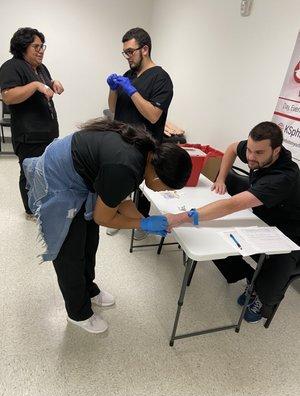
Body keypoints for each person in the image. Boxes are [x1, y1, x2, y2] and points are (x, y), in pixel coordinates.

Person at [22, 118, 192, 334]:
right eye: (165, 188)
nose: (162, 191)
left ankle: (89, 290)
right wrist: (143, 223)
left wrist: (142, 219)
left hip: (81, 174)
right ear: (157, 175)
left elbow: (119, 199)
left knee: (89, 240)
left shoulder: (145, 153)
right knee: (70, 251)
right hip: (59, 177)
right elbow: (103, 218)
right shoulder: (126, 166)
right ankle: (78, 313)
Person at [166, 121, 300, 323]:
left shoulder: (283, 177)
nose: (250, 157)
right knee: (215, 238)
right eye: (250, 151)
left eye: (258, 153)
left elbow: (231, 205)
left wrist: (181, 218)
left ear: (276, 151)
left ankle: (261, 297)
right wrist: (220, 178)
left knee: (274, 272)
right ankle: (249, 276)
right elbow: (231, 148)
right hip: (263, 215)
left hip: (290, 233)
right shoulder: (257, 148)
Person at [106, 27, 173, 238]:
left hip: (144, 144)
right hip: (122, 141)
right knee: (119, 181)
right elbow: (114, 109)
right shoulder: (129, 75)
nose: (127, 57)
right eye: (124, 52)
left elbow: (153, 115)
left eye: (130, 52)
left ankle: (141, 222)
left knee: (141, 186)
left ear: (145, 49)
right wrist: (113, 89)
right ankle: (116, 215)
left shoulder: (161, 78)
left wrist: (132, 90)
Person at [0, 27, 64, 220]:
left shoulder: (40, 68)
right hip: (29, 136)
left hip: (47, 132)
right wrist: (36, 85)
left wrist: (53, 83)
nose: (41, 50)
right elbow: (8, 96)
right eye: (35, 46)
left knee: (45, 172)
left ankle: (43, 204)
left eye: (42, 46)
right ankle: (30, 211)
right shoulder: (12, 67)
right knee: (29, 173)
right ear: (22, 48)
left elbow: (44, 84)